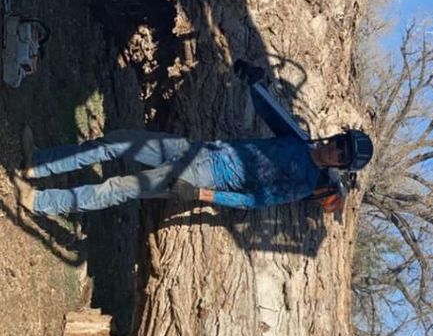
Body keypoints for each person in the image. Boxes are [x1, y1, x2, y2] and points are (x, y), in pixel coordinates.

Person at [14, 71, 373, 218]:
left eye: (341, 155)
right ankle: (39, 163)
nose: (336, 149)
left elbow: (254, 200)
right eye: (340, 142)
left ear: (339, 166)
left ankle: (42, 202)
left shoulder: (303, 182)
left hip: (202, 176)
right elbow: (268, 108)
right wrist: (250, 79)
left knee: (120, 187)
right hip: (199, 149)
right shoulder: (298, 138)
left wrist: (201, 196)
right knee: (117, 143)